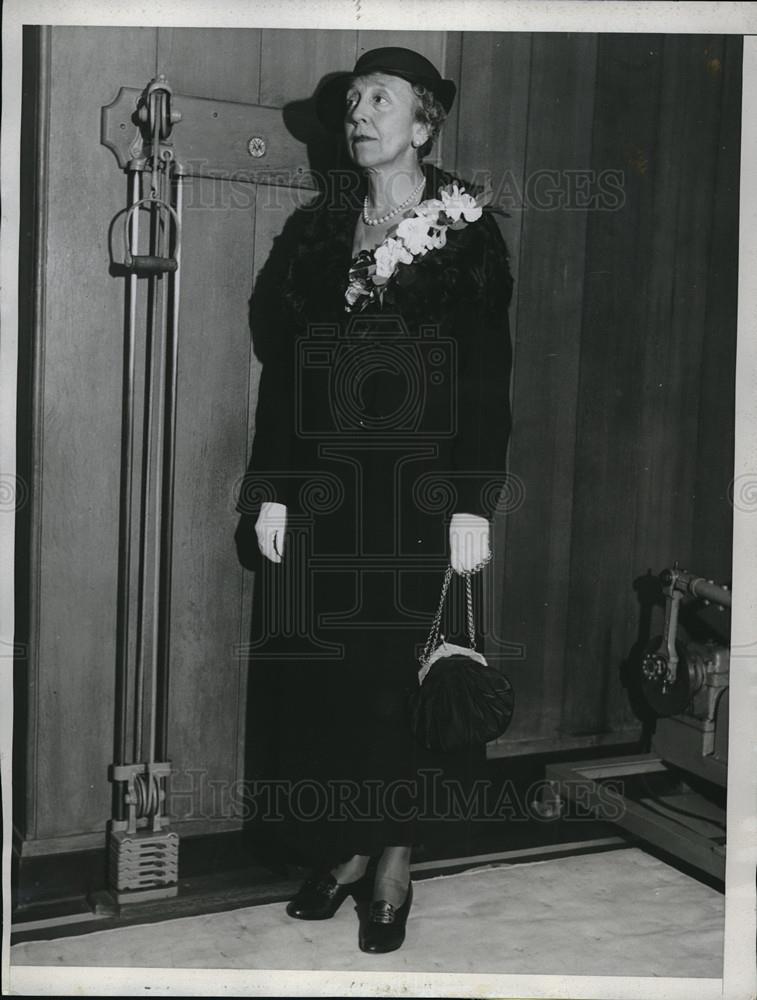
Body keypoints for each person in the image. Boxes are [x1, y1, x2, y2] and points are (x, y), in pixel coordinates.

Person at [236, 46, 513, 954]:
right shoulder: (318, 230)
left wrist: (471, 500)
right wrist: (273, 491)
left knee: (397, 683)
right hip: (323, 492)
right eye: (351, 100)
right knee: (328, 681)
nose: (358, 113)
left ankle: (394, 857)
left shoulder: (468, 230)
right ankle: (351, 845)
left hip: (417, 494)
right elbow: (283, 370)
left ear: (424, 120)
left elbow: (485, 379)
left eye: (379, 100)